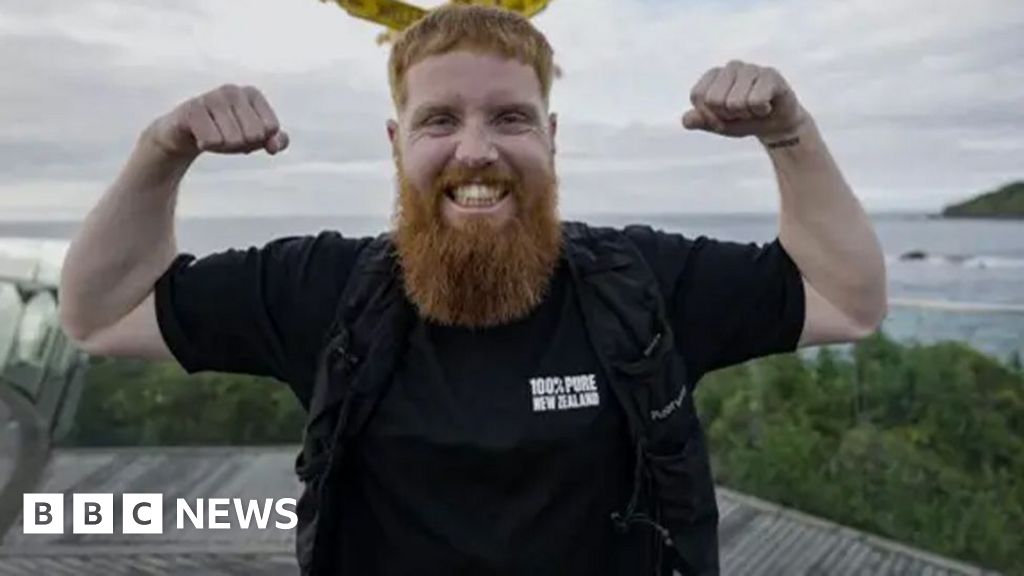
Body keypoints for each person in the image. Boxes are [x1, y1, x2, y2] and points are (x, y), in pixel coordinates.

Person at [58, 5, 887, 575]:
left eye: (511, 119)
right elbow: (101, 314)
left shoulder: (641, 284)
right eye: (440, 120)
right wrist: (162, 149)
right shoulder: (323, 289)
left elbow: (844, 298)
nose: (477, 150)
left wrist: (788, 134)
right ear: (397, 143)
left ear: (551, 138)